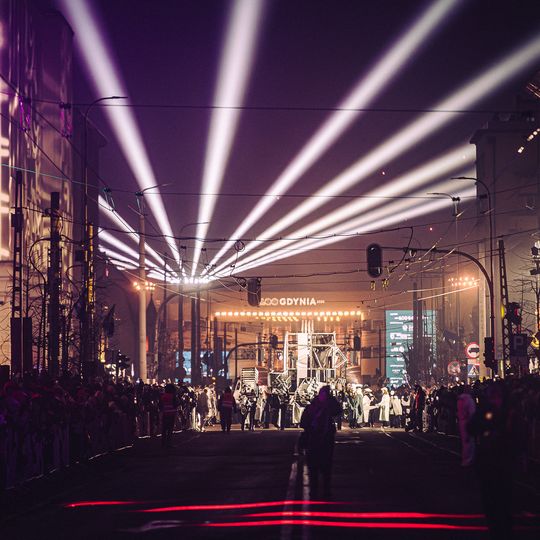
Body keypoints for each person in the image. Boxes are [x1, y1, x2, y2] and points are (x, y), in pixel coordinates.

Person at [300, 385, 341, 498]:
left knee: (324, 468)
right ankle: (316, 491)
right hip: (315, 440)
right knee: (316, 468)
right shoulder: (313, 407)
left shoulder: (327, 408)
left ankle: (322, 491)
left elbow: (338, 410)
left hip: (323, 441)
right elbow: (304, 423)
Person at [457, 385, 476, 467]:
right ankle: (468, 459)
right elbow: (472, 412)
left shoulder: (460, 400)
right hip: (468, 421)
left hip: (462, 421)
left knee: (464, 441)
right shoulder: (469, 400)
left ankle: (465, 458)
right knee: (469, 441)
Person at [159, 383, 178, 448]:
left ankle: (163, 443)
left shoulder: (163, 396)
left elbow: (160, 405)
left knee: (164, 429)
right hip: (171, 414)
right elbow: (176, 404)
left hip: (164, 413)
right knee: (170, 430)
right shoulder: (173, 396)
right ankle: (169, 443)